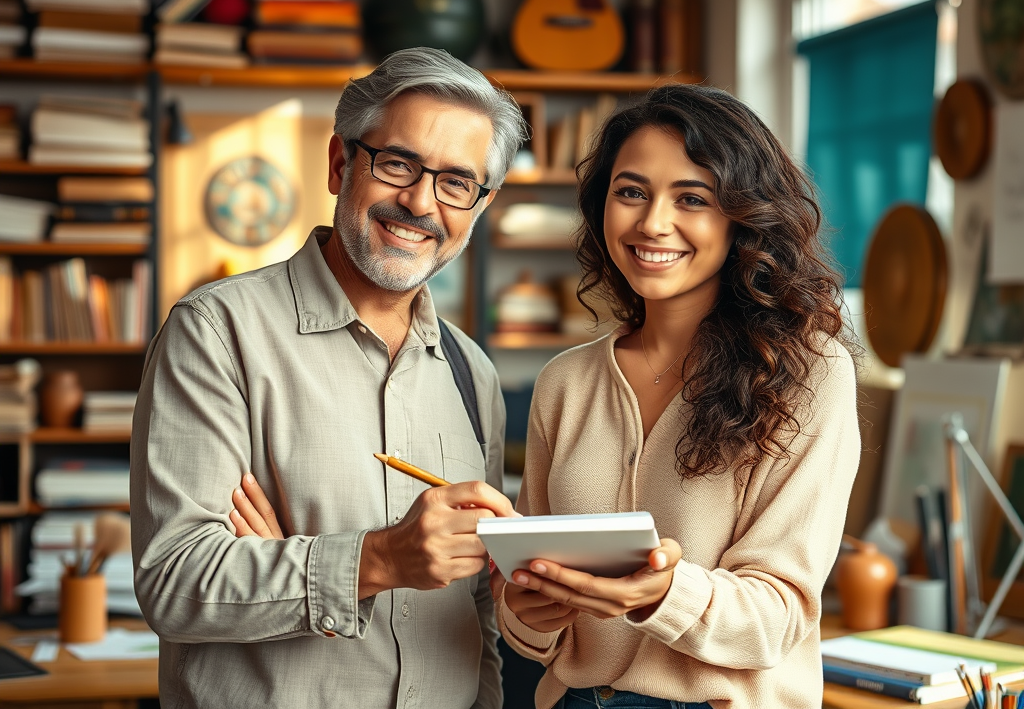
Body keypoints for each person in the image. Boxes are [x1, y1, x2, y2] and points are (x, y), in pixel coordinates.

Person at [130, 47, 528, 709]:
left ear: (479, 205)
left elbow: (476, 610)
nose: (421, 203)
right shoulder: (217, 332)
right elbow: (175, 580)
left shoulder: (472, 373)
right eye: (398, 163)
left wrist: (290, 564)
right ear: (342, 165)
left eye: (457, 182)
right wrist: (376, 561)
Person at [490, 84, 861, 709]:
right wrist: (529, 610)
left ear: (743, 216)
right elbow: (528, 624)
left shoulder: (808, 373)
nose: (652, 222)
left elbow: (780, 614)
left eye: (692, 198)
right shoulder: (565, 382)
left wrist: (660, 594)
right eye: (630, 191)